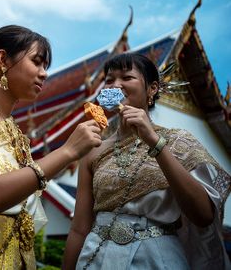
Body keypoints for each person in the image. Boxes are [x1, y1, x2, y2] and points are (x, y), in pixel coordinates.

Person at [0, 25, 103, 269]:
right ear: (3, 59)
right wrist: (67, 152)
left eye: (46, 66)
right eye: (36, 62)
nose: (44, 73)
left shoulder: (15, 130)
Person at [63, 53, 231, 269]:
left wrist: (154, 141)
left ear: (152, 89)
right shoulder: (94, 150)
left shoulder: (179, 141)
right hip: (98, 257)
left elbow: (203, 215)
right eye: (109, 80)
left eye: (127, 77)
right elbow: (79, 228)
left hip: (157, 258)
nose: (116, 85)